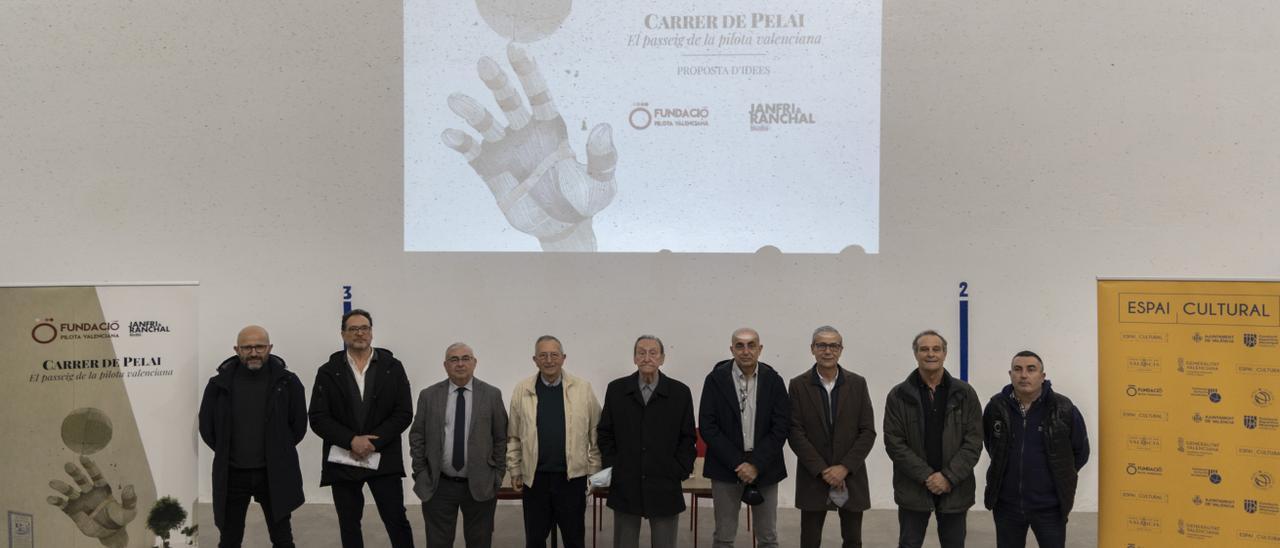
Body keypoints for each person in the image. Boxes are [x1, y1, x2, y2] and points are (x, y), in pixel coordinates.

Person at [308, 310, 415, 548]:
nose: (360, 333)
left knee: (396, 520)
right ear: (343, 334)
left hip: (384, 457)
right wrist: (351, 440)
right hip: (344, 459)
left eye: (364, 328)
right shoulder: (327, 371)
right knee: (349, 524)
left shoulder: (393, 367)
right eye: (353, 329)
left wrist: (372, 442)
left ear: (372, 332)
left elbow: (403, 413)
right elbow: (317, 417)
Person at [199, 325, 306, 548]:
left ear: (270, 348)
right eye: (247, 347)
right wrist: (227, 451)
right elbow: (207, 428)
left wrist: (277, 450)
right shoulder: (218, 385)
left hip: (273, 473)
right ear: (237, 349)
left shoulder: (288, 382)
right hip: (232, 474)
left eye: (260, 346)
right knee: (229, 539)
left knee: (283, 538)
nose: (254, 352)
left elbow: (298, 427)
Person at [883, 330, 983, 548]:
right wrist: (928, 476)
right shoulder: (898, 395)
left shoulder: (965, 393)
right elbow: (894, 443)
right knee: (909, 543)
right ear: (916, 354)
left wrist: (948, 477)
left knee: (954, 544)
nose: (930, 354)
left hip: (954, 488)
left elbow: (974, 441)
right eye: (924, 349)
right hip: (913, 487)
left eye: (936, 349)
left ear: (945, 353)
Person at [982, 351, 1090, 548]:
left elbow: (1080, 452)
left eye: (1031, 369)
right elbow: (992, 445)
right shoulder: (996, 406)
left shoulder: (1064, 408)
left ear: (1042, 376)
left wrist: (1056, 477)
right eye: (1018, 369)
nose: (1024, 375)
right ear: (1010, 374)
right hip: (1007, 505)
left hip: (1049, 507)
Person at [597, 335, 697, 548]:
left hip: (665, 483)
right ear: (634, 358)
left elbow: (688, 438)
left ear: (662, 358)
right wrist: (614, 467)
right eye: (641, 352)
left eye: (653, 353)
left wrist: (679, 469)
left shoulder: (680, 393)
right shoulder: (616, 390)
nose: (647, 358)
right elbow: (605, 433)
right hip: (626, 483)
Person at [409, 342, 508, 548]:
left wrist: (497, 474)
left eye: (465, 359)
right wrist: (420, 472)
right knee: (438, 543)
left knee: (479, 542)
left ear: (474, 363)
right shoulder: (429, 395)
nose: (460, 364)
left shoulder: (491, 395)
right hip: (439, 484)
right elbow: (417, 435)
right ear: (445, 365)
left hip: (481, 483)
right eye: (454, 359)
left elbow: (501, 437)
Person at [507, 335, 602, 548]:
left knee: (574, 539)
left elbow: (595, 432)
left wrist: (595, 471)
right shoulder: (522, 390)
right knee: (535, 539)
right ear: (535, 359)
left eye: (554, 355)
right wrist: (514, 469)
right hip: (535, 479)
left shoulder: (582, 388)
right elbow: (513, 436)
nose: (549, 360)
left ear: (563, 358)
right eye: (543, 355)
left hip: (572, 479)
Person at [699, 328, 791, 547]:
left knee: (768, 537)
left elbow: (781, 427)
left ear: (760, 349)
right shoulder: (715, 380)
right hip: (726, 466)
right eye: (740, 345)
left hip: (766, 466)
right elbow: (708, 426)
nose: (746, 351)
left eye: (751, 345)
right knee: (723, 536)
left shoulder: (774, 381)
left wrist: (756, 464)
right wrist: (738, 463)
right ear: (732, 349)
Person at [788, 325, 877, 548]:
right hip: (814, 476)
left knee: (853, 539)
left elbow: (867, 431)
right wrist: (821, 469)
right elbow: (794, 432)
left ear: (841, 349)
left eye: (833, 345)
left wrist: (844, 467)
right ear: (812, 349)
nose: (828, 351)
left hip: (851, 475)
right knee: (809, 540)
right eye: (822, 345)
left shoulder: (857, 383)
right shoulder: (798, 385)